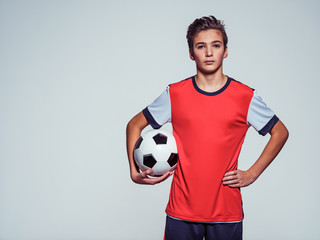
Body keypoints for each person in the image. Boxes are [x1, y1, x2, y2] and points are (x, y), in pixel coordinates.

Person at [126, 16, 289, 240]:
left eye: (216, 45)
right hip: (181, 210)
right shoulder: (175, 94)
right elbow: (134, 125)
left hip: (226, 212)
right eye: (201, 46)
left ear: (226, 50)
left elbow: (280, 132)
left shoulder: (245, 97)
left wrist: (252, 173)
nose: (209, 53)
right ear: (191, 53)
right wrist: (134, 172)